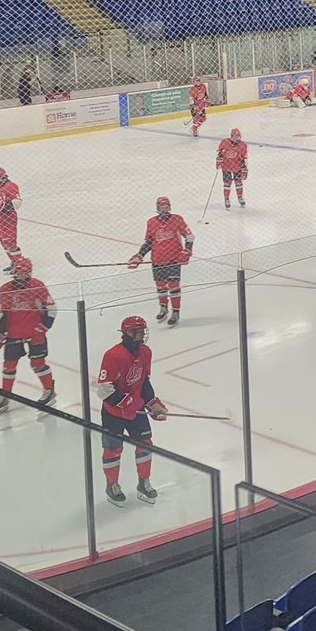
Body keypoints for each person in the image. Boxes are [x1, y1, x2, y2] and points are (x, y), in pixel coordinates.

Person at [96, 315, 167, 507]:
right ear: (128, 333)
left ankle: (144, 483)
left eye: (143, 331)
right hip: (113, 414)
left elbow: (144, 381)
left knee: (145, 444)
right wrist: (125, 403)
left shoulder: (145, 352)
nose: (143, 335)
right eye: (139, 332)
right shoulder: (113, 356)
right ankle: (112, 486)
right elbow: (104, 389)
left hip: (135, 412)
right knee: (113, 449)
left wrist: (152, 403)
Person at [0, 255, 56, 412]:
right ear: (13, 272)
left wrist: (41, 329)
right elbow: (4, 314)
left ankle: (49, 391)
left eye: (24, 273)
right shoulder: (5, 289)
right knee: (9, 364)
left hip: (35, 332)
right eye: (18, 272)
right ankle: (5, 396)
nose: (20, 275)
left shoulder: (37, 286)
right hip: (14, 333)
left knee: (37, 363)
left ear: (29, 273)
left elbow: (51, 310)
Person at [127, 197, 193, 326]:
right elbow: (149, 242)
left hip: (174, 259)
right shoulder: (151, 222)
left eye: (166, 205)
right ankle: (163, 307)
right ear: (157, 208)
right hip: (157, 260)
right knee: (161, 286)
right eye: (161, 206)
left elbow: (190, 236)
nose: (164, 208)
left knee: (174, 286)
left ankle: (175, 311)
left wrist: (187, 251)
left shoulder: (177, 219)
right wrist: (139, 256)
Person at [0, 166, 22, 272]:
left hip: (9, 217)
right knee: (3, 241)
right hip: (1, 217)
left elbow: (17, 203)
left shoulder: (11, 186)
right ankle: (14, 262)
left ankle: (19, 264)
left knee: (10, 243)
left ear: (1, 177)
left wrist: (2, 203)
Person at [215, 128, 249, 209]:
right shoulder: (224, 142)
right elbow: (219, 152)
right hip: (226, 167)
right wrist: (219, 161)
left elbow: (245, 158)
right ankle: (226, 199)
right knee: (227, 183)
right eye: (235, 136)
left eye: (238, 136)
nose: (237, 138)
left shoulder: (243, 145)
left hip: (237, 167)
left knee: (238, 182)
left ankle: (240, 197)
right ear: (231, 136)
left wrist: (245, 168)